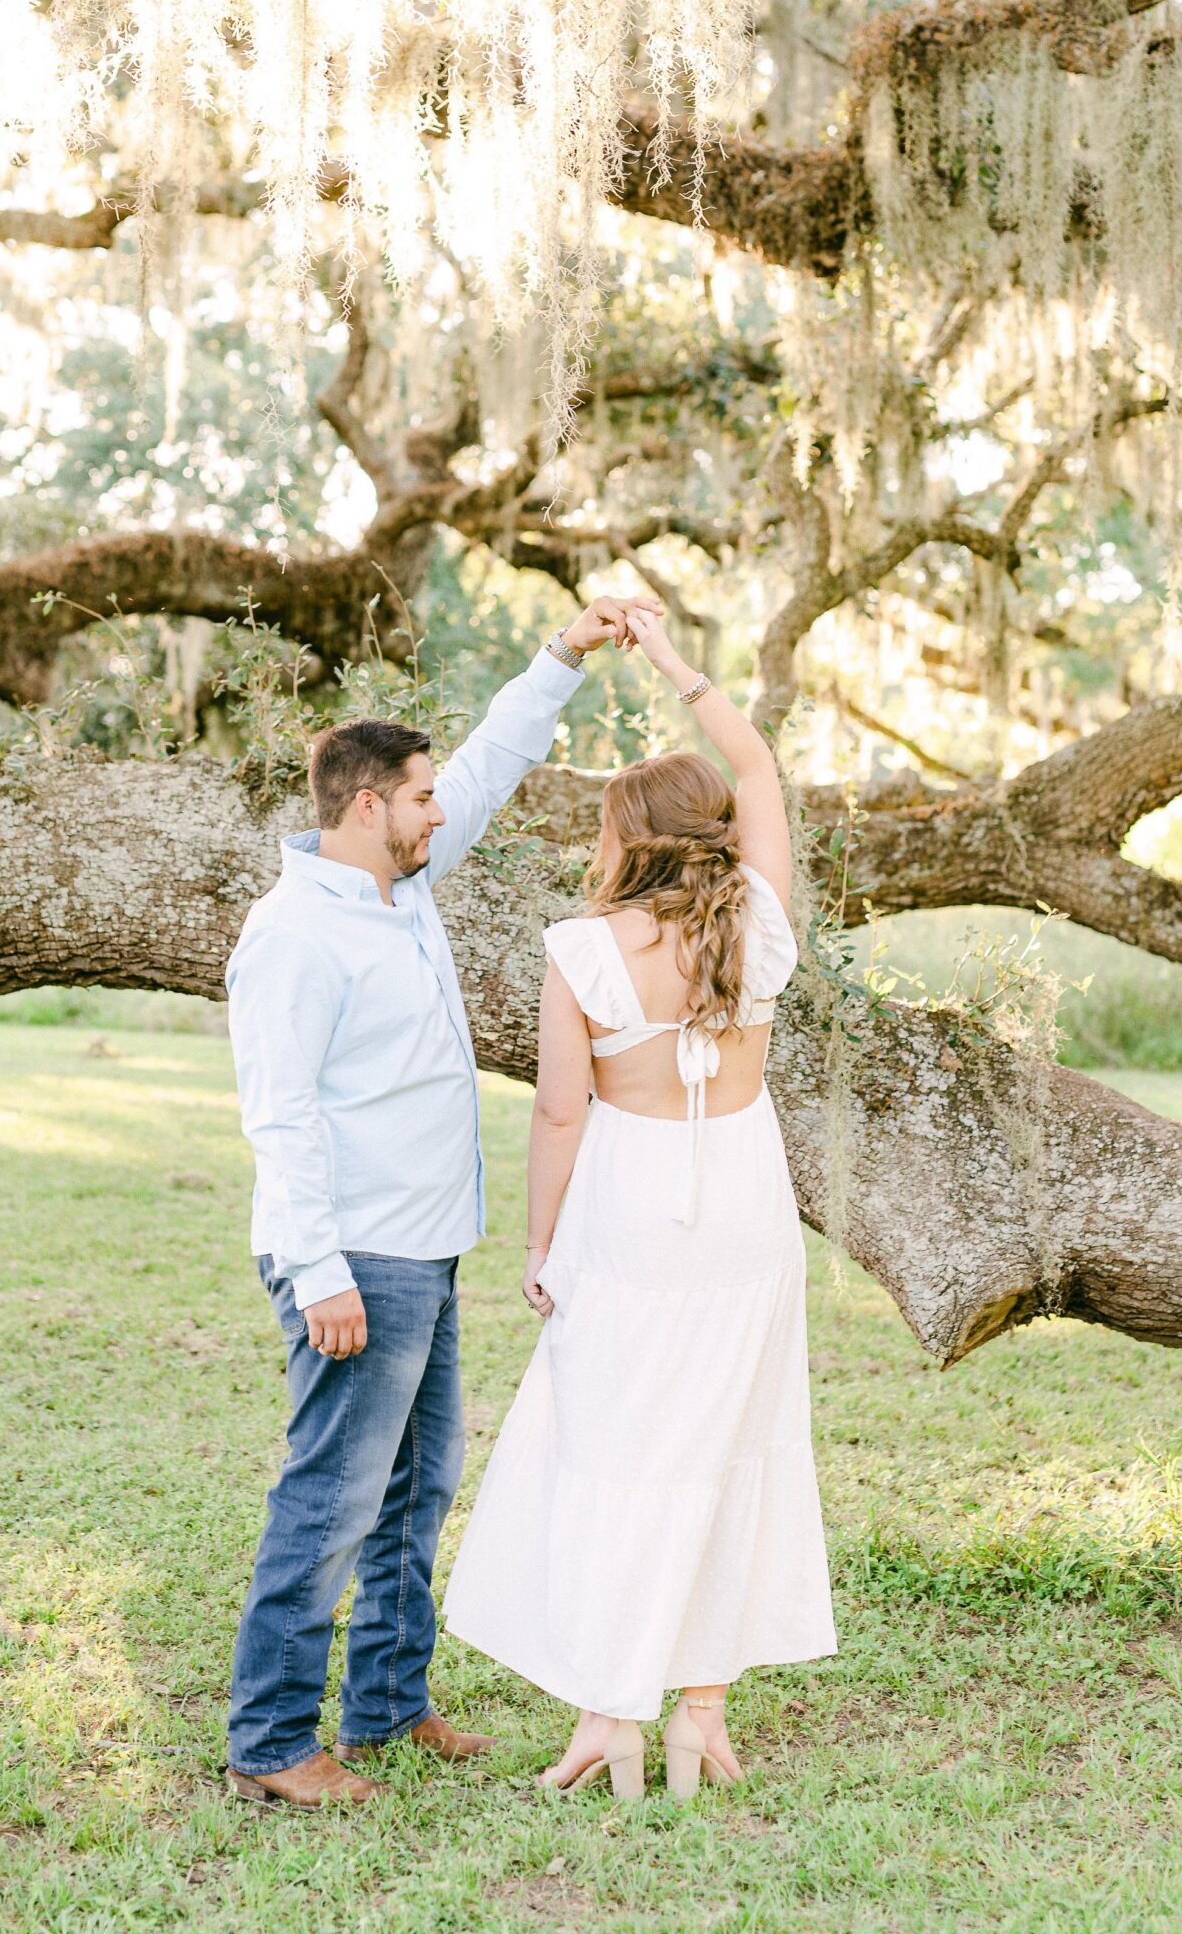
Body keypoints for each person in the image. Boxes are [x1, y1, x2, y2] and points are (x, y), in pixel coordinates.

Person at [223, 595, 658, 1809]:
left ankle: (386, 1704)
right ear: (368, 806)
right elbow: (280, 1113)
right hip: (354, 1256)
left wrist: (563, 654)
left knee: (416, 1491)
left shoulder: (397, 887)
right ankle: (269, 1743)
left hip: (426, 1245)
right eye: (419, 798)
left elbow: (492, 760)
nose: (438, 811)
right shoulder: (292, 936)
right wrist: (318, 1273)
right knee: (331, 1496)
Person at [442, 605, 836, 1800]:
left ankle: (611, 1710)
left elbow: (558, 1112)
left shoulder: (581, 946)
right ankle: (699, 1712)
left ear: (626, 838)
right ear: (712, 832)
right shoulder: (759, 922)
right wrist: (670, 661)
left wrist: (538, 1241)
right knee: (728, 1438)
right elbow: (757, 761)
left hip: (627, 1199)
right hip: (742, 1200)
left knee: (612, 1440)